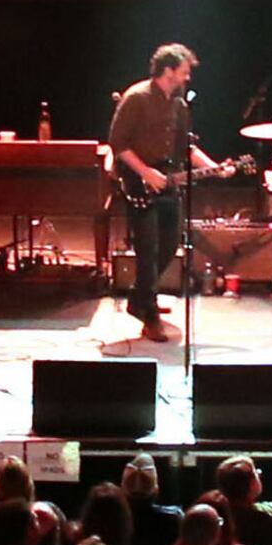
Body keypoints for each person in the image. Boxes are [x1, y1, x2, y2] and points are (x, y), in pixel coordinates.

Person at [105, 42, 228, 341]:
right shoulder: (136, 98)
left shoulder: (179, 106)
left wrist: (215, 167)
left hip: (167, 180)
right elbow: (118, 144)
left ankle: (139, 298)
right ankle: (148, 314)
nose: (187, 78)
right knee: (147, 250)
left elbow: (187, 147)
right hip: (138, 180)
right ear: (168, 70)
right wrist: (146, 172)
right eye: (184, 72)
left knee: (170, 243)